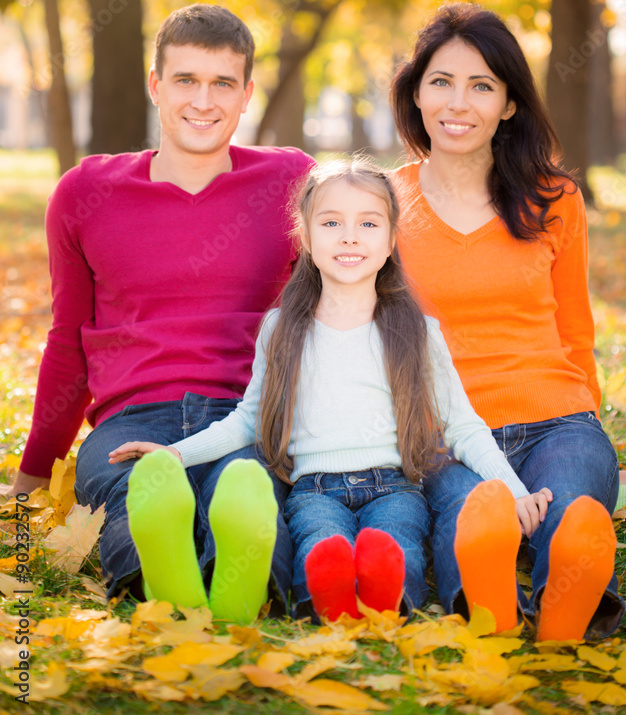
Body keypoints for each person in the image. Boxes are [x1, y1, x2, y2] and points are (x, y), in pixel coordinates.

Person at [110, 157, 552, 624]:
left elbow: (462, 426)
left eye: (367, 222)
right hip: (313, 490)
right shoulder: (282, 329)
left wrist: (515, 490)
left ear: (391, 239)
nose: (349, 236)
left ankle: (387, 598)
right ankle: (333, 598)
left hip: (394, 487)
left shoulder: (417, 330)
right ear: (305, 236)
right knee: (321, 549)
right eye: (331, 222)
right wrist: (175, 453)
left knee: (397, 548)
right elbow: (247, 419)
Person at [11, 3, 314, 611]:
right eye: (186, 80)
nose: (204, 101)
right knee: (137, 500)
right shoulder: (86, 192)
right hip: (129, 422)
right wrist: (33, 476)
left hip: (247, 413)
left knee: (250, 494)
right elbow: (69, 340)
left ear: (246, 94)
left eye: (222, 83)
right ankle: (168, 578)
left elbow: (334, 311)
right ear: (156, 85)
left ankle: (231, 585)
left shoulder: (291, 182)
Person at [390, 2, 623, 641]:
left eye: (481, 86)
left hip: (555, 419)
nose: (457, 103)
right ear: (416, 94)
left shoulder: (555, 200)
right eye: (440, 82)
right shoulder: (381, 204)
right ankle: (487, 603)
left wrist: (588, 422)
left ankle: (564, 608)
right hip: (444, 431)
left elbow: (576, 328)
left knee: (572, 505)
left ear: (509, 104)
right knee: (472, 513)